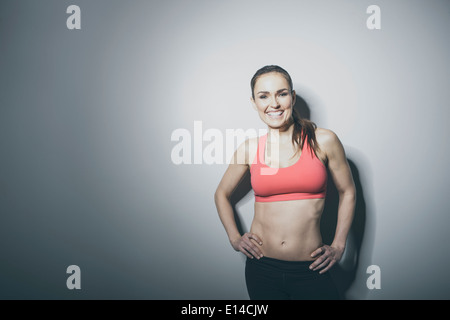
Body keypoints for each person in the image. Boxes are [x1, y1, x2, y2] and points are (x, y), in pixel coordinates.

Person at [214, 65, 356, 300]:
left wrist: (339, 245)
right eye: (264, 96)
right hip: (261, 269)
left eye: (281, 93)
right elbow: (221, 194)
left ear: (293, 97)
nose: (274, 104)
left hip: (312, 268)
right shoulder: (250, 148)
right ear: (254, 103)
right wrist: (235, 238)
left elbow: (348, 191)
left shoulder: (324, 140)